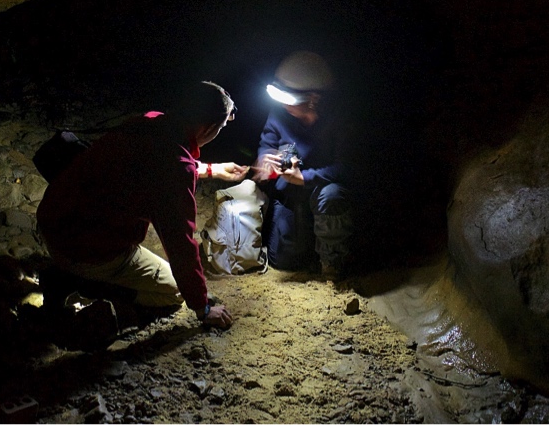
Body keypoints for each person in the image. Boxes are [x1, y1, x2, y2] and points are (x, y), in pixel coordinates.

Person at [36, 80, 248, 329]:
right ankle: (83, 284)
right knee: (174, 292)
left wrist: (212, 170)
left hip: (53, 220)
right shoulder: (174, 170)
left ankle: (71, 271)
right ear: (209, 127)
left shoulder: (151, 120)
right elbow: (179, 243)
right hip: (88, 249)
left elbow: (166, 159)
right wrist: (202, 307)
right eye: (221, 127)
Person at [253, 51, 354, 279]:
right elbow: (267, 142)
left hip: (324, 192)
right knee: (285, 262)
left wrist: (304, 177)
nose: (284, 105)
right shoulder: (280, 114)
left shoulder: (339, 121)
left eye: (289, 100)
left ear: (312, 99)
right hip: (292, 193)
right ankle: (307, 245)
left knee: (333, 195)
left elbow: (347, 168)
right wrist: (265, 159)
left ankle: (332, 261)